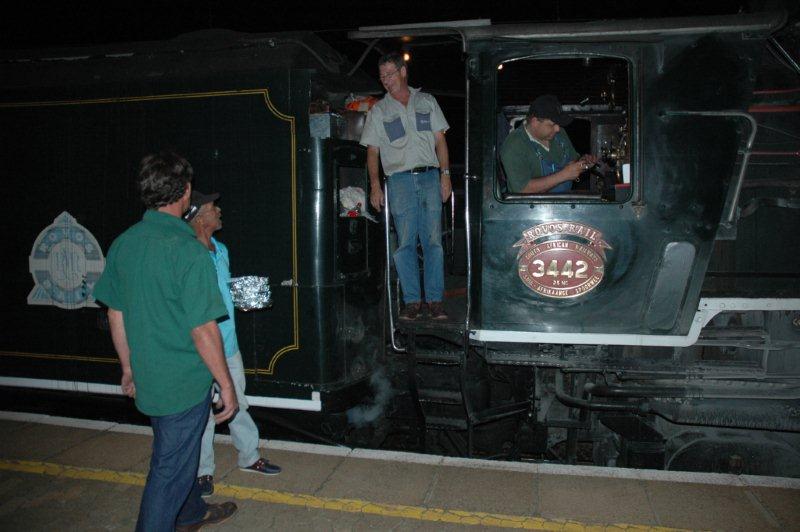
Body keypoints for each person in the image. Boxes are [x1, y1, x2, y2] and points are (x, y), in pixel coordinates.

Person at [92, 151, 239, 532]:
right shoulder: (188, 250)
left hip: (149, 375)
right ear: (186, 191)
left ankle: (190, 513)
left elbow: (116, 313)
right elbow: (203, 329)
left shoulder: (125, 243)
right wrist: (225, 383)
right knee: (169, 470)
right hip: (182, 384)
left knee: (178, 454)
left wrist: (128, 367)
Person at [184, 190, 282, 497]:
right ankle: (203, 472)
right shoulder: (187, 253)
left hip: (229, 345)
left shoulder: (221, 249)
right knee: (202, 413)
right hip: (201, 348)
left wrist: (244, 297)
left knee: (237, 402)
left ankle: (249, 457)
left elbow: (221, 293)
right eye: (213, 207)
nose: (219, 211)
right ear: (200, 218)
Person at [360, 52, 452, 321]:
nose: (385, 80)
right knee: (405, 244)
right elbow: (372, 151)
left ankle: (435, 301)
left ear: (403, 72)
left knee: (433, 241)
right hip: (399, 181)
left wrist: (445, 175)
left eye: (389, 74)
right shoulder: (379, 110)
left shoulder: (427, 101)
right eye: (382, 76)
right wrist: (375, 186)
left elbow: (440, 141)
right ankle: (412, 301)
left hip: (429, 177)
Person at [500, 94, 598, 194]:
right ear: (534, 122)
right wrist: (564, 175)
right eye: (552, 124)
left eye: (558, 123)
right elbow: (523, 189)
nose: (558, 128)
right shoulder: (513, 145)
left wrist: (583, 163)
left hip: (565, 200)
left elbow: (573, 162)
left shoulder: (560, 134)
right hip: (531, 204)